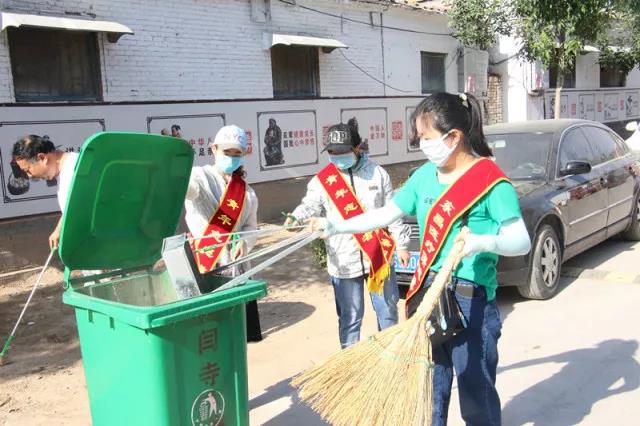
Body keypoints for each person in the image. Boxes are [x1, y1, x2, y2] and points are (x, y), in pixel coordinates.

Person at [312, 92, 531, 425]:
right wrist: (336, 224)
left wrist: (481, 242)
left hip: (470, 302)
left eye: (426, 138)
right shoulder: (425, 176)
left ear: (453, 137)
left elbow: (520, 241)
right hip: (428, 295)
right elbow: (386, 213)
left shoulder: (489, 180)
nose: (422, 145)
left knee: (476, 393)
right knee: (430, 389)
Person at [284, 121, 411, 349]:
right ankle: (350, 362)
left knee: (388, 312)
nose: (337, 157)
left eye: (343, 152)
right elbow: (309, 205)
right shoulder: (323, 181)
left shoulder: (377, 174)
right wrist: (295, 218)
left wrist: (401, 244)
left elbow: (393, 212)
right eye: (332, 153)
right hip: (343, 260)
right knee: (350, 319)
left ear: (357, 148)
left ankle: (390, 358)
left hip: (377, 256)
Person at [185, 125, 263, 342]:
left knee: (237, 336)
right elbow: (188, 190)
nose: (231, 158)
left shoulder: (246, 192)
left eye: (236, 154)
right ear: (214, 149)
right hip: (207, 266)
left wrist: (245, 243)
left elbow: (251, 226)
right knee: (210, 337)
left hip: (238, 269)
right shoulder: (200, 176)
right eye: (226, 152)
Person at [12, 135, 78, 249]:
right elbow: (74, 205)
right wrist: (59, 229)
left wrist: (59, 230)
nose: (29, 176)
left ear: (42, 158)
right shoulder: (70, 165)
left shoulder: (75, 170)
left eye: (28, 170)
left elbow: (80, 210)